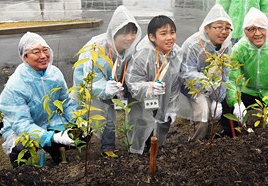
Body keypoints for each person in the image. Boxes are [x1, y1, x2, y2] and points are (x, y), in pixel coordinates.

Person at [0, 32, 78, 168]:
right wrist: (52, 137)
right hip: (20, 128)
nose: (43, 56)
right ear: (24, 57)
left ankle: (56, 151)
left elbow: (66, 102)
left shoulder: (54, 74)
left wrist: (77, 121)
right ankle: (20, 166)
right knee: (22, 145)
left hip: (50, 122)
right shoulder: (16, 85)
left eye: (45, 50)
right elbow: (22, 124)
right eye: (36, 52)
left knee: (77, 135)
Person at [73, 5, 141, 158]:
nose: (130, 38)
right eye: (125, 34)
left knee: (109, 116)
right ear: (114, 32)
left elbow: (131, 71)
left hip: (111, 87)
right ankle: (79, 150)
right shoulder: (97, 48)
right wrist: (104, 88)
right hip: (89, 89)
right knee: (88, 118)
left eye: (133, 33)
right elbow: (90, 77)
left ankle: (107, 148)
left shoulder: (128, 49)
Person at [221, 7, 268, 136]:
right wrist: (236, 102)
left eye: (261, 28)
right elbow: (233, 78)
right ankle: (231, 135)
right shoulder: (240, 48)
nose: (257, 33)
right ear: (245, 31)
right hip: (248, 91)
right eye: (251, 29)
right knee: (227, 105)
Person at [125, 15, 182, 154]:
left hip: (163, 99)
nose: (169, 37)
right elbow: (133, 82)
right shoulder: (143, 54)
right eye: (163, 33)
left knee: (162, 123)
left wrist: (171, 108)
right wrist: (148, 87)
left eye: (172, 32)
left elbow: (175, 84)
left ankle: (156, 149)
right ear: (152, 37)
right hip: (143, 101)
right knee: (142, 124)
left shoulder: (176, 53)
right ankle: (137, 152)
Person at [178, 4, 233, 141]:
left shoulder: (227, 45)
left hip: (214, 85)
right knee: (203, 111)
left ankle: (216, 137)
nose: (224, 32)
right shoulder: (193, 44)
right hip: (191, 85)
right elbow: (186, 73)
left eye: (227, 28)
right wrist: (207, 85)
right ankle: (197, 143)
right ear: (207, 28)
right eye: (219, 27)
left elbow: (226, 73)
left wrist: (218, 97)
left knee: (227, 106)